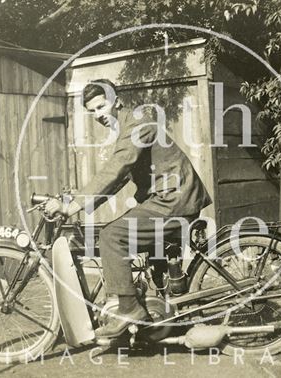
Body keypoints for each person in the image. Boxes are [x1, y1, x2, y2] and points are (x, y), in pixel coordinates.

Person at [45, 79, 211, 338]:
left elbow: (118, 167)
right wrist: (79, 203)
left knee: (112, 236)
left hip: (173, 200)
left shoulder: (137, 123)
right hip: (170, 197)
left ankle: (130, 308)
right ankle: (152, 301)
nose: (98, 115)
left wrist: (74, 205)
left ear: (116, 100)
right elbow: (120, 177)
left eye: (101, 107)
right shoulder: (128, 125)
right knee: (126, 235)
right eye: (92, 111)